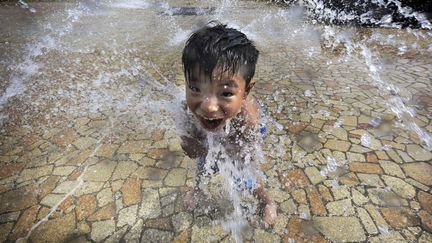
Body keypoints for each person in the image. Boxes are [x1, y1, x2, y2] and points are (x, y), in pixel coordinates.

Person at [180, 21, 277, 226]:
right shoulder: (186, 109)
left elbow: (249, 154)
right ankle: (197, 190)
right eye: (196, 89)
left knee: (246, 175)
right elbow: (192, 149)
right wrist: (192, 144)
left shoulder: (248, 120)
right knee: (203, 163)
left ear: (246, 92)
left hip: (242, 136)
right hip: (218, 128)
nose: (208, 107)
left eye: (225, 93)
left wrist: (230, 149)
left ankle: (268, 201)